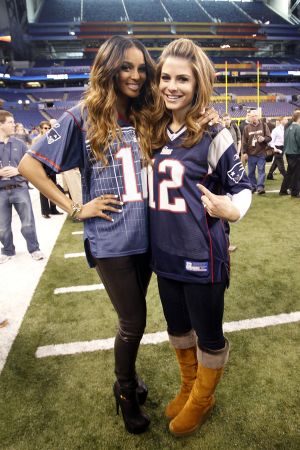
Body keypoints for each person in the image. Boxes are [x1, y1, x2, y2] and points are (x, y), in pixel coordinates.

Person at [19, 35, 157, 435]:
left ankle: (126, 381)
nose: (135, 75)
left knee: (135, 319)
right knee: (133, 322)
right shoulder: (83, 115)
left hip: (146, 235)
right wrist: (76, 208)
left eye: (141, 68)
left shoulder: (145, 112)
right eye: (126, 67)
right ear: (109, 69)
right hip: (111, 238)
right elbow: (30, 165)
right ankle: (126, 393)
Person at [149, 38, 252, 437]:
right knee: (177, 329)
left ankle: (203, 400)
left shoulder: (214, 131)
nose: (172, 86)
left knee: (208, 335)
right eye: (166, 77)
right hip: (165, 255)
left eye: (183, 80)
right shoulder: (155, 128)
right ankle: (190, 387)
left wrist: (234, 209)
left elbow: (241, 187)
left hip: (202, 254)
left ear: (198, 85)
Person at [0, 110, 44, 263]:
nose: (14, 124)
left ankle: (34, 249)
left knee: (27, 222)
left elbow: (31, 166)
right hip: (0, 191)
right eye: (10, 122)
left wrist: (17, 170)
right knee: (2, 226)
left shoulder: (20, 144)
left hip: (20, 187)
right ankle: (7, 250)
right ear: (1, 124)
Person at [32, 121, 63, 218]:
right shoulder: (36, 140)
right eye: (45, 128)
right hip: (41, 165)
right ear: (40, 129)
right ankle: (45, 211)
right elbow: (33, 154)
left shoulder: (52, 138)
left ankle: (53, 209)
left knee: (53, 187)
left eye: (49, 128)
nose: (48, 130)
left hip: (50, 165)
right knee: (43, 188)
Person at [241, 109, 271, 194]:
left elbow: (269, 138)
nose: (253, 118)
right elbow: (244, 141)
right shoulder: (246, 128)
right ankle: (253, 186)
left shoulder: (264, 125)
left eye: (255, 116)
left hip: (261, 153)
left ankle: (260, 187)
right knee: (251, 172)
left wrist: (264, 139)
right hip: (251, 154)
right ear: (249, 117)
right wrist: (244, 152)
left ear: (258, 116)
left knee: (261, 171)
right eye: (251, 116)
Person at [279, 110, 300, 198]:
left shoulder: (288, 127)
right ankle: (295, 192)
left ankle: (283, 190)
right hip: (296, 153)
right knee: (296, 173)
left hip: (288, 152)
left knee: (289, 173)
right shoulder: (298, 127)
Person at [267, 116, 287, 180]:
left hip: (283, 147)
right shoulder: (276, 130)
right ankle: (287, 177)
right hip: (277, 147)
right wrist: (275, 148)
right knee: (280, 163)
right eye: (285, 119)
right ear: (281, 121)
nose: (287, 120)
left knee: (276, 162)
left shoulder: (286, 128)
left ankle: (269, 175)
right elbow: (271, 141)